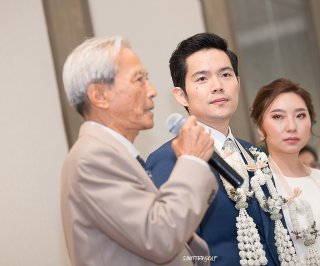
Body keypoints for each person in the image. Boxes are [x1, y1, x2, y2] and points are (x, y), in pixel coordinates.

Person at [60, 36, 219, 266]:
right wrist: (191, 161)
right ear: (99, 96)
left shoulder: (114, 154)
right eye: (139, 80)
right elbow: (160, 237)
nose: (152, 91)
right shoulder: (92, 159)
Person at [147, 33, 286, 266]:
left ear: (238, 83)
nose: (218, 86)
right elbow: (174, 249)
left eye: (226, 74)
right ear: (181, 95)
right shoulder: (168, 159)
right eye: (202, 79)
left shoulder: (256, 154)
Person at [250, 78, 320, 265]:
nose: (292, 127)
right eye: (278, 116)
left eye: (300, 115)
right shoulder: (260, 184)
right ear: (260, 128)